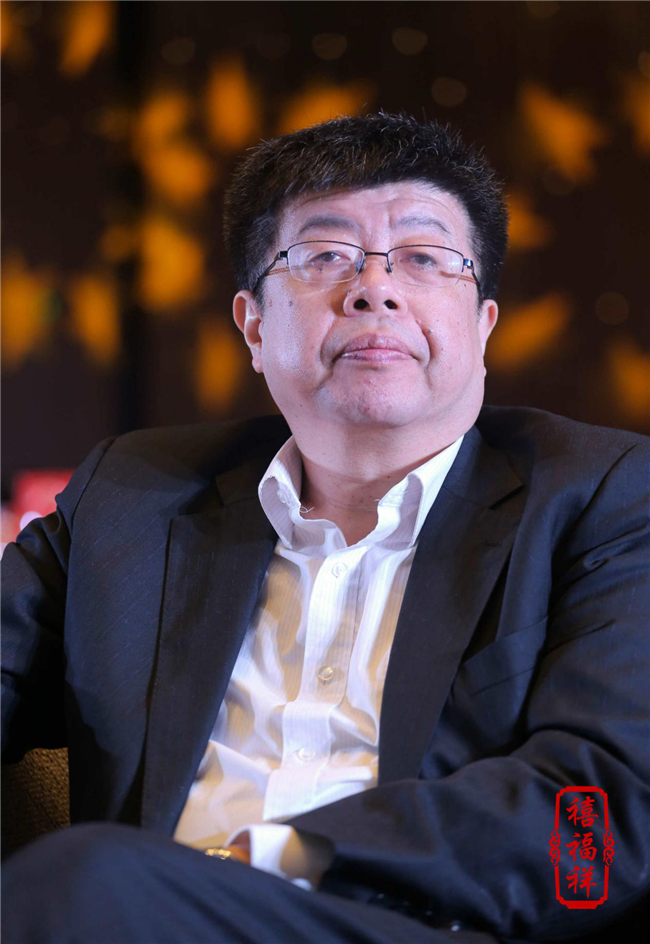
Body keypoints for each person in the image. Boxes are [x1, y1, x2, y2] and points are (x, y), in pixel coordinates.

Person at [2, 113, 649, 944]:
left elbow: (597, 812)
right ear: (254, 326)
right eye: (325, 256)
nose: (375, 288)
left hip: (420, 926)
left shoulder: (603, 498)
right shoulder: (134, 496)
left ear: (483, 326)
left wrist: (276, 858)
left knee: (79, 882)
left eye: (423, 258)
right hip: (138, 917)